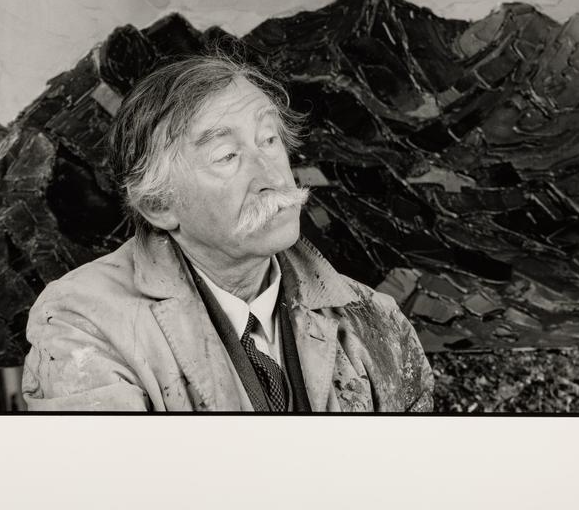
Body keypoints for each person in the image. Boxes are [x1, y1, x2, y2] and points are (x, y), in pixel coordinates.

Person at [22, 55, 434, 412]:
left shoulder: (375, 319)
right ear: (159, 205)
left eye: (269, 140)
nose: (272, 176)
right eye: (227, 156)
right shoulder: (82, 321)